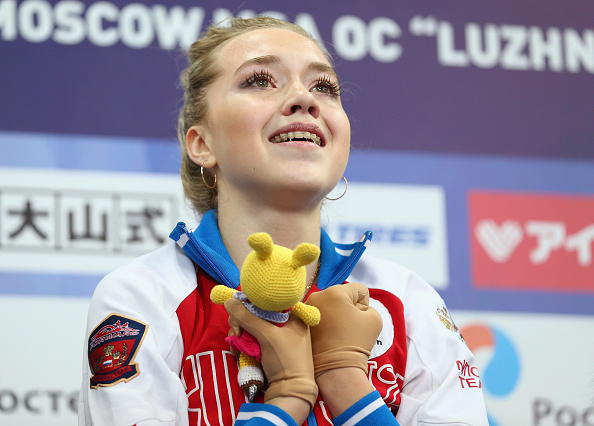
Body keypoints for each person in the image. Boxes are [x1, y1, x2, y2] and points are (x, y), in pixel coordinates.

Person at [78, 16, 489, 426]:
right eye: (260, 80)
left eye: (323, 87)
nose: (304, 99)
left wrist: (346, 382)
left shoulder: (407, 300)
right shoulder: (144, 296)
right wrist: (286, 401)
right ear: (202, 144)